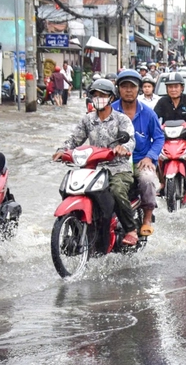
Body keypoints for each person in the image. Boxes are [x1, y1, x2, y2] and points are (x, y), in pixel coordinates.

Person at [54, 79, 139, 247]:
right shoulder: (87, 120)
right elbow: (74, 140)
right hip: (93, 169)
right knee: (69, 188)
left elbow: (130, 140)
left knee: (116, 190)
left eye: (103, 95)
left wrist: (123, 147)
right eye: (95, 95)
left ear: (111, 98)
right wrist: (62, 150)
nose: (98, 98)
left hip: (118, 168)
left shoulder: (121, 119)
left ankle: (131, 229)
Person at [114, 70, 164, 237]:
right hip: (115, 162)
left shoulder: (148, 113)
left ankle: (147, 219)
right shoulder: (110, 111)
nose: (128, 90)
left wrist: (150, 156)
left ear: (139, 89)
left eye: (132, 87)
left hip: (140, 160)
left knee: (147, 179)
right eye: (124, 86)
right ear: (118, 89)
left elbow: (158, 138)